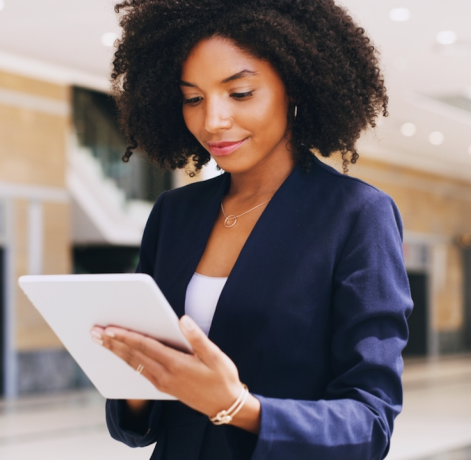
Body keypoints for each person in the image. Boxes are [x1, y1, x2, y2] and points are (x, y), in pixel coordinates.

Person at [90, 0, 412, 458]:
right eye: (193, 98)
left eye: (240, 93)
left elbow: (370, 424)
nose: (212, 121)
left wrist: (238, 407)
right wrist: (139, 374)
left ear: (294, 89)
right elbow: (140, 425)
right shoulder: (174, 213)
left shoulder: (357, 215)